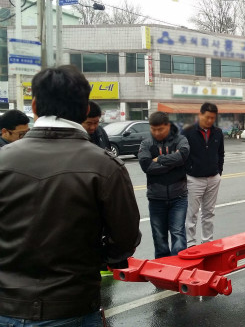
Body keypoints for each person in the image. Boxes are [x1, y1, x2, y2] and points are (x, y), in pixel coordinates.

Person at [0, 65, 141, 326]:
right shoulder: (106, 166)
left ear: (34, 106)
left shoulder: (3, 159)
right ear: (86, 109)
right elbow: (125, 240)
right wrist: (95, 257)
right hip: (72, 306)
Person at [139, 111, 190, 258]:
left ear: (168, 126)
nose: (156, 133)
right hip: (156, 198)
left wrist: (159, 159)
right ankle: (163, 269)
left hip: (178, 197)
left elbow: (183, 156)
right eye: (153, 129)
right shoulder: (146, 143)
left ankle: (180, 267)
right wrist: (172, 163)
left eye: (160, 129)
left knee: (178, 234)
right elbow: (146, 166)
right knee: (159, 237)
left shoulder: (180, 139)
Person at [182, 102, 225, 247]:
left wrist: (219, 171)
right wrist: (189, 170)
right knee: (191, 213)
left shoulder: (218, 132)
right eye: (207, 117)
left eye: (213, 118)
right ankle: (191, 243)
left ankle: (207, 242)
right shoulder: (188, 132)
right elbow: (182, 155)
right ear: (200, 115)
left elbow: (221, 154)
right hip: (194, 179)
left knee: (209, 213)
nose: (210, 121)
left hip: (213, 178)